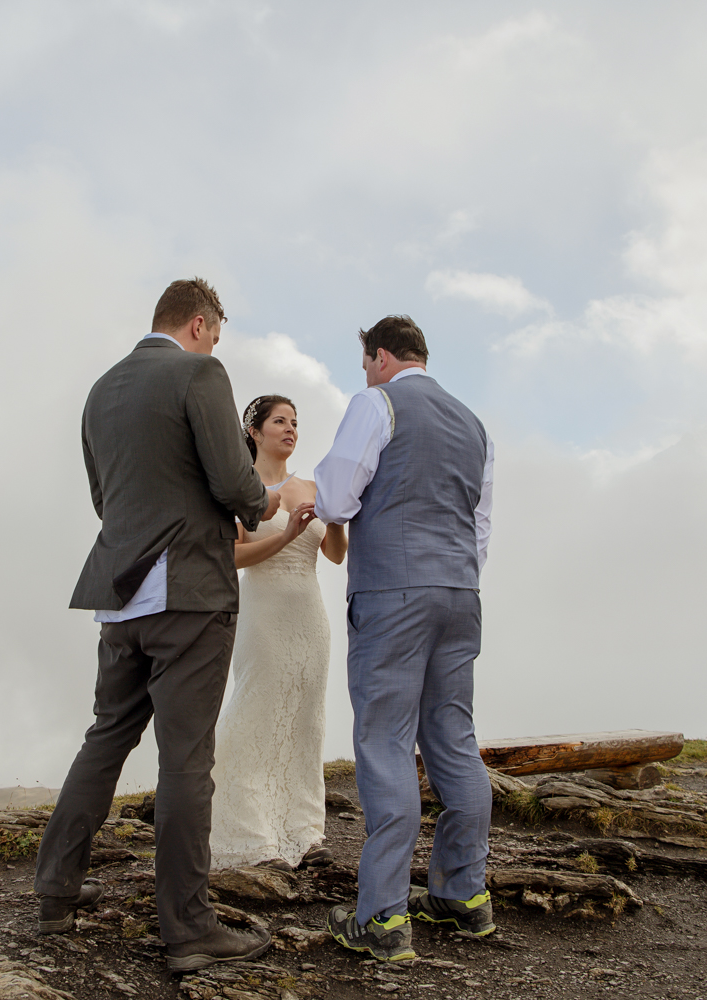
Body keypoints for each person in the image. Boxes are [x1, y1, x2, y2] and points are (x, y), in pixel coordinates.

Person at [35, 277, 281, 973]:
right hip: (189, 594)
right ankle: (189, 930)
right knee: (186, 763)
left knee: (104, 741)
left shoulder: (100, 390)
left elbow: (100, 497)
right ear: (201, 324)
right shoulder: (200, 372)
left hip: (120, 594)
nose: (216, 345)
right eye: (218, 334)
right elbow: (237, 485)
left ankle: (54, 894)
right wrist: (262, 502)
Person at [313, 315, 496, 962]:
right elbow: (479, 524)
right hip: (461, 594)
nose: (365, 373)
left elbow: (336, 500)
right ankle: (464, 896)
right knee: (453, 735)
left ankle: (384, 918)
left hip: (394, 591)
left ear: (382, 356)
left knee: (385, 740)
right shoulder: (474, 424)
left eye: (366, 362)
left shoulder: (377, 402)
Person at [208, 394, 347, 870]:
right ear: (255, 431)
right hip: (263, 616)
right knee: (257, 713)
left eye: (294, 422)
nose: (290, 429)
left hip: (310, 615)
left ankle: (306, 833)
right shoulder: (238, 492)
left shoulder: (311, 486)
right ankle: (249, 834)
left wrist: (338, 520)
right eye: (279, 421)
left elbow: (334, 554)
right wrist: (285, 536)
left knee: (305, 721)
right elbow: (232, 557)